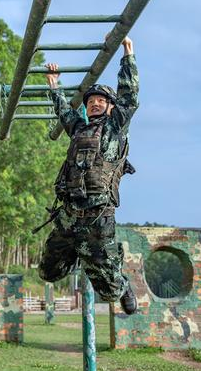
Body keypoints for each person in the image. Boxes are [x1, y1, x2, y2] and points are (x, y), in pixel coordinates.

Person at [38, 36, 138, 315]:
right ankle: (82, 254)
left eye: (100, 101)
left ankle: (122, 284)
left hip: (98, 215)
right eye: (91, 100)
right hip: (69, 214)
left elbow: (130, 96)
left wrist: (127, 52)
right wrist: (54, 84)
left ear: (111, 107)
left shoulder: (115, 129)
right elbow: (63, 112)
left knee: (109, 291)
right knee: (48, 272)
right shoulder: (79, 129)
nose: (94, 104)